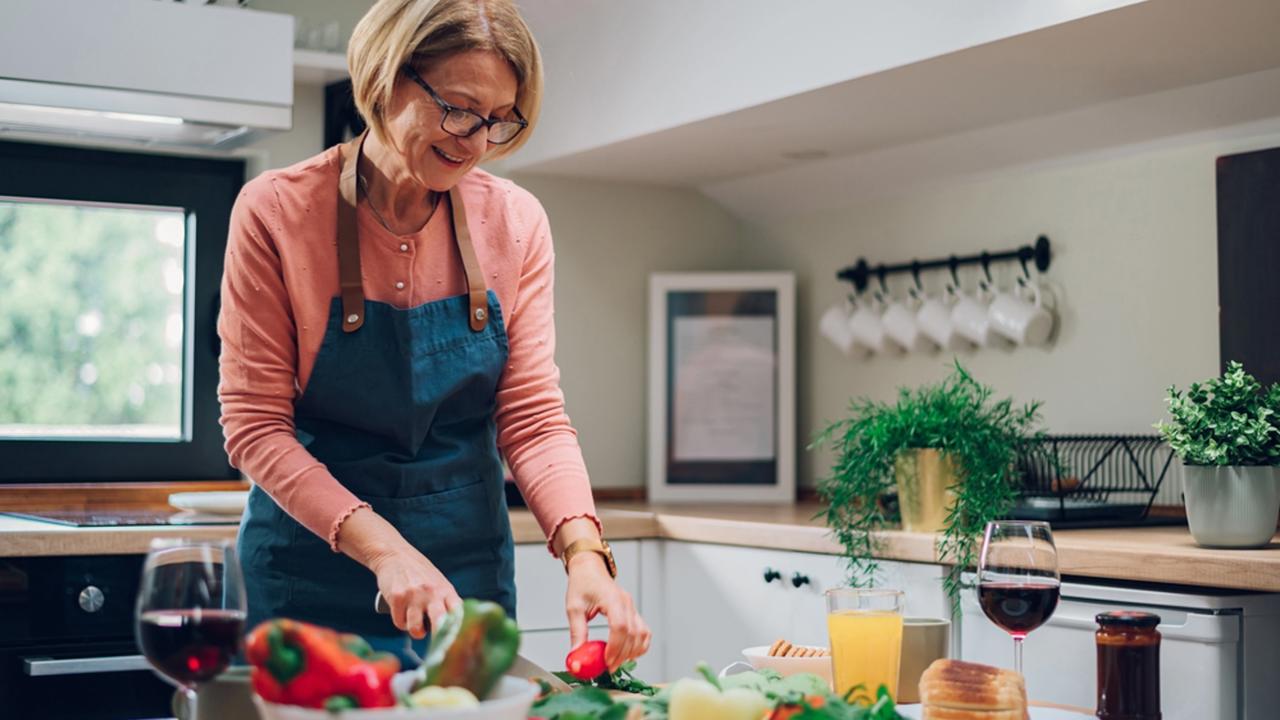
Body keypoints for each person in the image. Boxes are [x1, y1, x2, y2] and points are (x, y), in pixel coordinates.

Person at [218, 0, 649, 669]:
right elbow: (255, 427)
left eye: (499, 119)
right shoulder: (277, 211)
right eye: (457, 107)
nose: (476, 140)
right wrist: (385, 550)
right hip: (307, 574)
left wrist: (585, 552)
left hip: (464, 574)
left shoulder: (517, 222)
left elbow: (532, 419)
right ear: (388, 80)